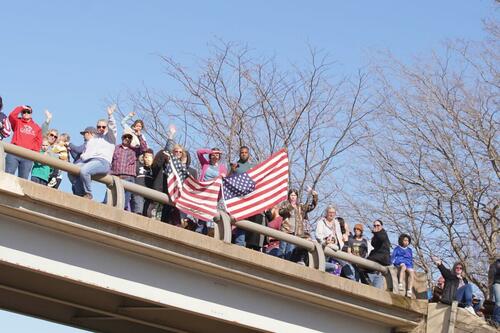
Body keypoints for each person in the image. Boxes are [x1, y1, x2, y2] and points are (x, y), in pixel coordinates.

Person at [68, 105, 117, 199]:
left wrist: (110, 116)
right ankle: (80, 193)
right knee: (71, 170)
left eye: (104, 126)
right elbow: (85, 154)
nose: (101, 128)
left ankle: (88, 193)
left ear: (106, 127)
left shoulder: (110, 138)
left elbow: (113, 128)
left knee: (84, 170)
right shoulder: (93, 139)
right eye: (99, 126)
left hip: (102, 162)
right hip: (89, 161)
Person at [229, 146, 259, 248]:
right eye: (242, 152)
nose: (244, 154)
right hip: (237, 197)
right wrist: (232, 171)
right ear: (239, 154)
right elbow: (227, 179)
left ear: (248, 154)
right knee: (236, 219)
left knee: (247, 221)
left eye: (246, 152)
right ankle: (236, 241)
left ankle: (244, 243)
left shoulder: (252, 167)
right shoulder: (234, 165)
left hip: (249, 198)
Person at [110, 130, 148, 209]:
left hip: (129, 178)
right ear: (122, 137)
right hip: (116, 177)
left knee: (123, 204)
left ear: (131, 139)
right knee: (110, 201)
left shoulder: (135, 150)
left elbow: (144, 149)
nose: (127, 138)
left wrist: (139, 136)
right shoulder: (115, 148)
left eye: (129, 137)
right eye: (125, 136)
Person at [279, 188, 318, 262]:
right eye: (291, 195)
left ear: (297, 197)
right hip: (285, 231)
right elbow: (281, 212)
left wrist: (314, 194)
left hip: (295, 233)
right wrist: (290, 206)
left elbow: (312, 206)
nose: (293, 197)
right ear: (289, 196)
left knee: (289, 252)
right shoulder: (285, 203)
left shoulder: (300, 207)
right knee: (282, 250)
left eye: (294, 195)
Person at [6, 105, 43, 179]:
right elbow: (11, 116)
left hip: (27, 156)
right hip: (14, 152)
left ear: (31, 114)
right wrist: (21, 107)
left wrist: (34, 154)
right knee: (8, 175)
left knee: (23, 180)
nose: (26, 113)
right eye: (24, 112)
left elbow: (38, 142)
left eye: (28, 112)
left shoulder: (37, 127)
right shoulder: (17, 122)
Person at [315, 206, 345, 275]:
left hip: (335, 249)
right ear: (326, 213)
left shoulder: (336, 223)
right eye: (330, 212)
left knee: (335, 268)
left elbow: (339, 236)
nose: (332, 214)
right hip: (324, 247)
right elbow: (318, 235)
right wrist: (325, 241)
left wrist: (340, 243)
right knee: (323, 265)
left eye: (333, 213)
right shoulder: (321, 222)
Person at [365, 219, 391, 289]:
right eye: (374, 225)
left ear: (381, 226)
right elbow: (374, 244)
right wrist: (374, 234)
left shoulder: (383, 233)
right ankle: (369, 280)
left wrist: (375, 233)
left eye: (378, 225)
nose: (376, 227)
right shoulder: (375, 235)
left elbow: (381, 238)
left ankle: (370, 279)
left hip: (383, 257)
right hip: (377, 256)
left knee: (366, 263)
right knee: (363, 266)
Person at [133, 148, 154, 215]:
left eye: (150, 157)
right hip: (138, 192)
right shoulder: (138, 165)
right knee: (139, 209)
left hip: (149, 194)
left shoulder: (154, 169)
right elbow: (138, 150)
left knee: (147, 213)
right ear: (143, 158)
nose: (148, 159)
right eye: (146, 157)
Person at [488, 258, 500, 325]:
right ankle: (496, 321)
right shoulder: (496, 263)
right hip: (497, 283)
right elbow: (492, 273)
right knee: (499, 302)